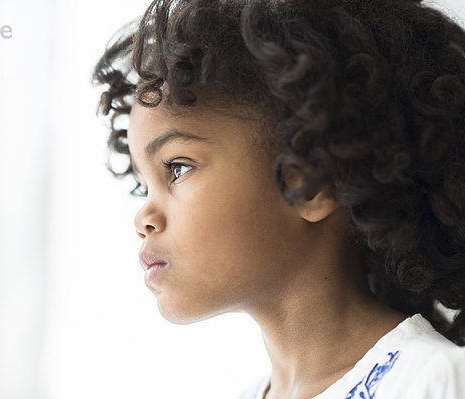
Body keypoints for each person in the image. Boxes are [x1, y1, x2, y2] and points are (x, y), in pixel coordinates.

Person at [92, 0, 465, 397]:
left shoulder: (434, 381)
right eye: (143, 185)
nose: (143, 217)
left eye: (177, 168)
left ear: (313, 183)